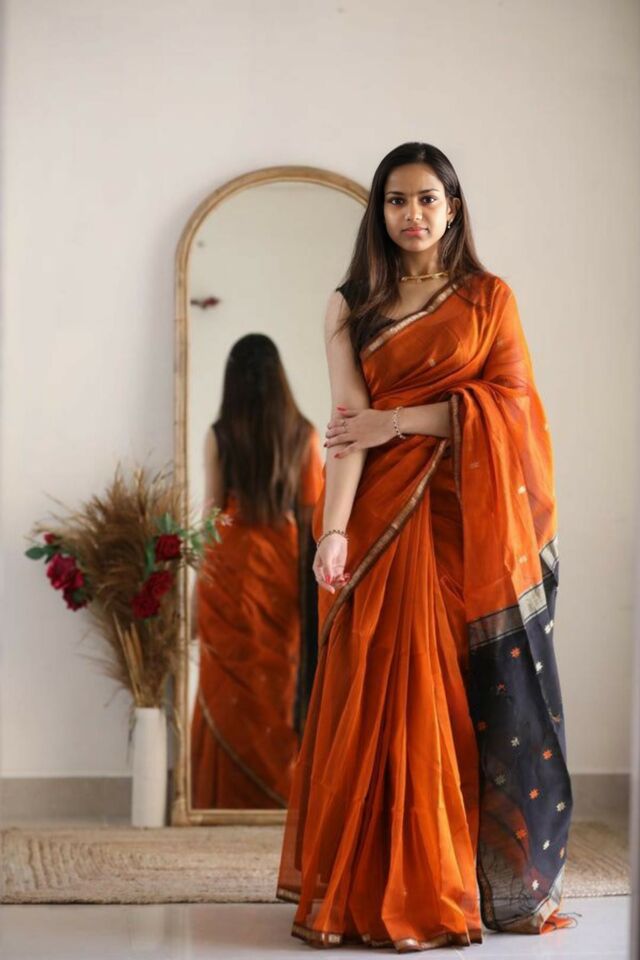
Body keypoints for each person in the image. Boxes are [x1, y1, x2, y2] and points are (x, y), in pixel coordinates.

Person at [276, 143, 575, 948]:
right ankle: (366, 890)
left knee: (448, 700)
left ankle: (444, 882)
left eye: (427, 199)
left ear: (452, 208)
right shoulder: (351, 305)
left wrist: (399, 420)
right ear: (379, 211)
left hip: (461, 524)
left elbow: (514, 411)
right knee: (372, 693)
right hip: (380, 522)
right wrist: (333, 531)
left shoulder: (488, 299)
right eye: (397, 200)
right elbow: (348, 430)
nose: (412, 214)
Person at [190, 333, 323, 809]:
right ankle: (278, 798)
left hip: (228, 566)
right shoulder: (303, 434)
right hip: (281, 568)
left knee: (226, 687)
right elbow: (313, 517)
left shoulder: (220, 434)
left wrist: (194, 587)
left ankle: (221, 801)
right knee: (278, 680)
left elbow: (210, 514)